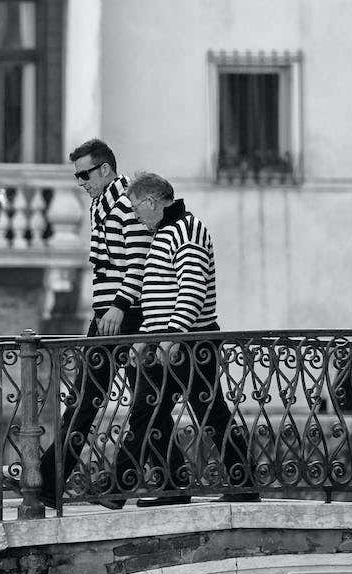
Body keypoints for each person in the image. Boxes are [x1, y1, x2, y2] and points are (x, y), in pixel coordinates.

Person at [99, 172, 259, 508]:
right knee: (157, 412)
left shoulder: (188, 230)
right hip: (173, 343)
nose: (136, 215)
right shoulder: (164, 234)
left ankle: (123, 490)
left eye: (136, 208)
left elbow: (191, 291)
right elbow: (158, 301)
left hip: (189, 345)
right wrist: (143, 342)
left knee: (199, 413)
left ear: (151, 202)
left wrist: (171, 340)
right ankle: (175, 485)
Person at [38, 139, 151, 508]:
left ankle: (49, 483)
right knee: (141, 403)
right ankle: (164, 482)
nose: (80, 182)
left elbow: (138, 262)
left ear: (104, 169)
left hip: (125, 316)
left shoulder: (125, 203)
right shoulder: (100, 204)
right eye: (77, 176)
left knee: (104, 401)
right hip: (108, 317)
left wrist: (118, 306)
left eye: (85, 174)